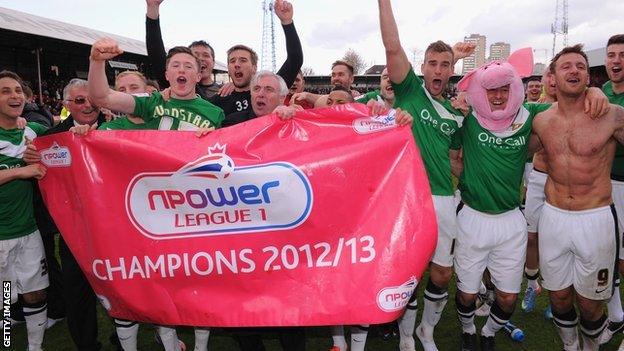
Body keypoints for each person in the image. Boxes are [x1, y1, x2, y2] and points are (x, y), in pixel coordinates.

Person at [451, 46, 609, 351]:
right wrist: (469, 174)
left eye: (504, 90)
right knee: (468, 295)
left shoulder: (530, 115)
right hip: (471, 215)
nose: (497, 97)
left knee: (508, 298)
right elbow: (450, 156)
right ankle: (468, 328)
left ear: (514, 89)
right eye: (491, 91)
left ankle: (488, 332)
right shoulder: (467, 118)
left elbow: (567, 106)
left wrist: (592, 92)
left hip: (511, 218)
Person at [377, 1, 474, 351]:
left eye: (445, 65)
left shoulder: (454, 114)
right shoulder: (410, 92)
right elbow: (392, 46)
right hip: (408, 197)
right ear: (421, 68)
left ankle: (426, 331)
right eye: (432, 63)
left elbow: (456, 159)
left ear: (451, 72)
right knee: (409, 272)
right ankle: (406, 336)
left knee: (441, 273)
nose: (438, 69)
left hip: (444, 200)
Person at [531, 44, 624, 351]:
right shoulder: (541, 121)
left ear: (589, 76)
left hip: (595, 218)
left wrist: (601, 95)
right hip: (554, 217)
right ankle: (571, 346)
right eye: (566, 66)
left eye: (581, 66)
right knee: (558, 296)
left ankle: (591, 346)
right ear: (553, 78)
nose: (574, 71)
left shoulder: (611, 115)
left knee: (590, 302)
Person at [0, 70, 49, 351]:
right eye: (6, 91)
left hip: (28, 230)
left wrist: (79, 129)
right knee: (7, 297)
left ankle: (35, 346)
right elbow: (24, 171)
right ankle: (7, 339)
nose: (14, 95)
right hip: (1, 234)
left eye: (17, 90)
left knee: (36, 292)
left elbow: (64, 138)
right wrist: (20, 172)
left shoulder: (30, 131)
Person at [87, 39, 223, 133]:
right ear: (167, 75)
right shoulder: (149, 102)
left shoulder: (215, 113)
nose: (181, 70)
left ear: (198, 76)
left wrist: (213, 138)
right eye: (175, 65)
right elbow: (103, 97)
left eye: (188, 66)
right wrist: (96, 61)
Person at [207, 0, 302, 117]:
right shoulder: (216, 102)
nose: (237, 64)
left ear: (254, 68)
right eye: (232, 61)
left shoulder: (270, 88)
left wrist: (287, 22)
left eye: (243, 60)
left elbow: (295, 59)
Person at [600, 34, 624, 347]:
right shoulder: (603, 91)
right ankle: (616, 315)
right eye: (611, 55)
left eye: (622, 55)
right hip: (608, 185)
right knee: (609, 253)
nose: (616, 61)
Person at [145, 0, 221, 99]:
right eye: (196, 55)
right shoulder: (176, 84)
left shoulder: (225, 93)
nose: (201, 58)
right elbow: (156, 51)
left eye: (206, 55)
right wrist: (153, 7)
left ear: (213, 62)